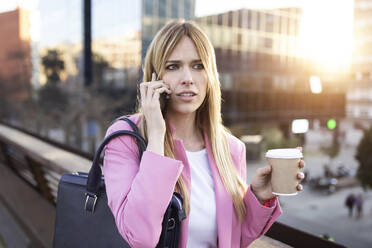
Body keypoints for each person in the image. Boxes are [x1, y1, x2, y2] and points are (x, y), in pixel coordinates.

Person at [103, 20, 306, 248]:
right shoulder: (125, 138)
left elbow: (233, 240)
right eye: (173, 66)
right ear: (153, 77)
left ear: (210, 76)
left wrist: (260, 197)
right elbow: (140, 237)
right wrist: (157, 136)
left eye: (198, 66)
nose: (188, 78)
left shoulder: (230, 148)